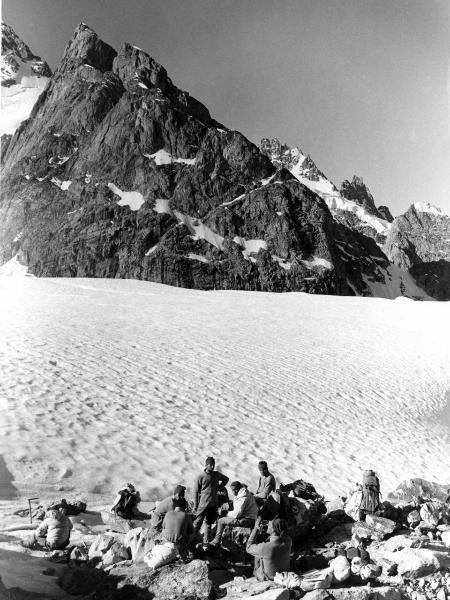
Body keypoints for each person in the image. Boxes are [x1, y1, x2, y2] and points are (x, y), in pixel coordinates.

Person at [193, 456, 229, 547]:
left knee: (208, 523)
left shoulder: (216, 474)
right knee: (197, 523)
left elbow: (226, 479)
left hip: (213, 504)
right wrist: (195, 505)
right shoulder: (201, 477)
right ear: (206, 465)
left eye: (213, 465)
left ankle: (206, 543)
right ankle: (191, 541)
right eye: (210, 465)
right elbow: (196, 492)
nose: (212, 467)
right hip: (203, 504)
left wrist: (219, 487)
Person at [210, 481, 258, 547]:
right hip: (251, 518)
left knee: (220, 521)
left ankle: (216, 541)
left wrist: (227, 514)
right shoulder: (245, 494)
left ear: (237, 490)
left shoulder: (243, 498)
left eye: (233, 490)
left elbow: (237, 514)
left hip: (245, 519)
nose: (232, 492)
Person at [246, 516, 292, 581]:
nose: (267, 525)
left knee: (258, 552)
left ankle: (254, 574)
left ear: (273, 529)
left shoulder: (264, 547)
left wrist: (256, 528)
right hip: (284, 574)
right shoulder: (288, 541)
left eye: (269, 525)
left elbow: (248, 547)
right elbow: (275, 540)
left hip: (269, 577)